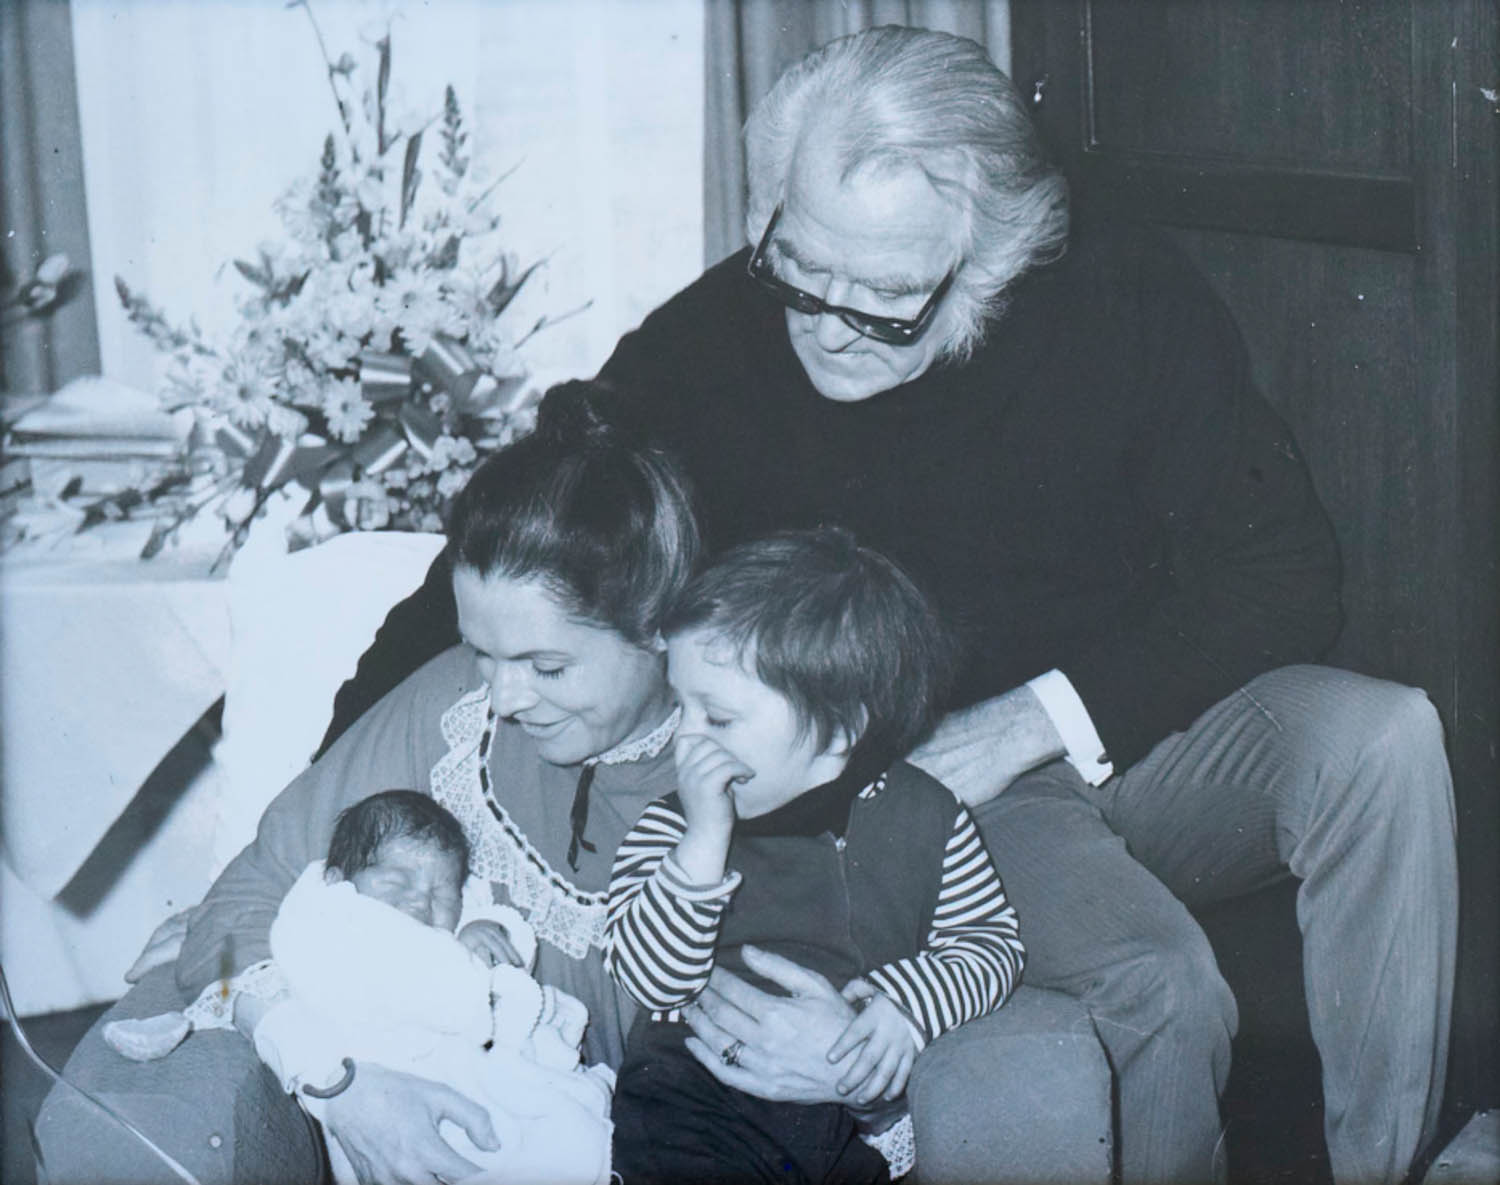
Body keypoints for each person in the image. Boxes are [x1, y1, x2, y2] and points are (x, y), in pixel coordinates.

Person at [318, 25, 1458, 1185]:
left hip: (1105, 727)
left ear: (994, 262)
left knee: (1386, 738)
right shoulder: (709, 345)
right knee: (1160, 976)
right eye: (798, 270)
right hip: (948, 805)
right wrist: (323, 799)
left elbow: (1284, 569)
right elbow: (520, 547)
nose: (825, 322)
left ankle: (1391, 1164)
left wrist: (1026, 723)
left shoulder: (1127, 304)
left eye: (887, 299)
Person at [164, 382, 700, 1185]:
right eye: (483, 651)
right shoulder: (451, 711)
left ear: (662, 626)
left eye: (547, 665)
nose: (506, 698)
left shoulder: (739, 768)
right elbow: (238, 916)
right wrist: (340, 1084)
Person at [606, 528, 1024, 1182]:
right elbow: (651, 978)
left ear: (837, 732)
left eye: (715, 718)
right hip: (691, 1104)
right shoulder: (675, 827)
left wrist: (906, 1005)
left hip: (842, 1124)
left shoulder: (929, 818)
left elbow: (991, 945)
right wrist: (701, 846)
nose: (684, 740)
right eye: (678, 705)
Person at [107, 789, 615, 1185]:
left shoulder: (462, 922)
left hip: (473, 1071)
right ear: (338, 879)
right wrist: (181, 1018)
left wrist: (486, 930)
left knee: (556, 1133)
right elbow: (260, 983)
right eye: (397, 885)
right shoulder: (331, 918)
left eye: (441, 893)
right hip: (380, 1088)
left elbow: (499, 954)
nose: (420, 904)